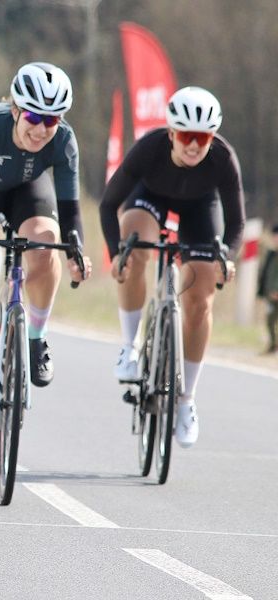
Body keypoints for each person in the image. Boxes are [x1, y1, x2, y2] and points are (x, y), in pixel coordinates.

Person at [0, 62, 91, 469]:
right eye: (34, 118)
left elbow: (71, 211)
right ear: (15, 111)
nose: (41, 130)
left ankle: (36, 337)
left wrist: (76, 254)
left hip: (27, 190)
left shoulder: (64, 141)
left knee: (45, 244)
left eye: (52, 120)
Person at [100, 86, 243, 448]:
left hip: (200, 209)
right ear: (171, 133)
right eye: (186, 136)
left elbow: (237, 223)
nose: (194, 145)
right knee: (134, 250)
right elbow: (108, 204)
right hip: (149, 199)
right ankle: (130, 346)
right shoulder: (149, 149)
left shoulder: (223, 158)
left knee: (200, 296)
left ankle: (186, 400)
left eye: (203, 138)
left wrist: (226, 257)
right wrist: (115, 253)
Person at [257, 224, 278, 353]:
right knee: (270, 321)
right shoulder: (271, 254)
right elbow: (266, 274)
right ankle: (273, 345)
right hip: (270, 294)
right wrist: (262, 291)